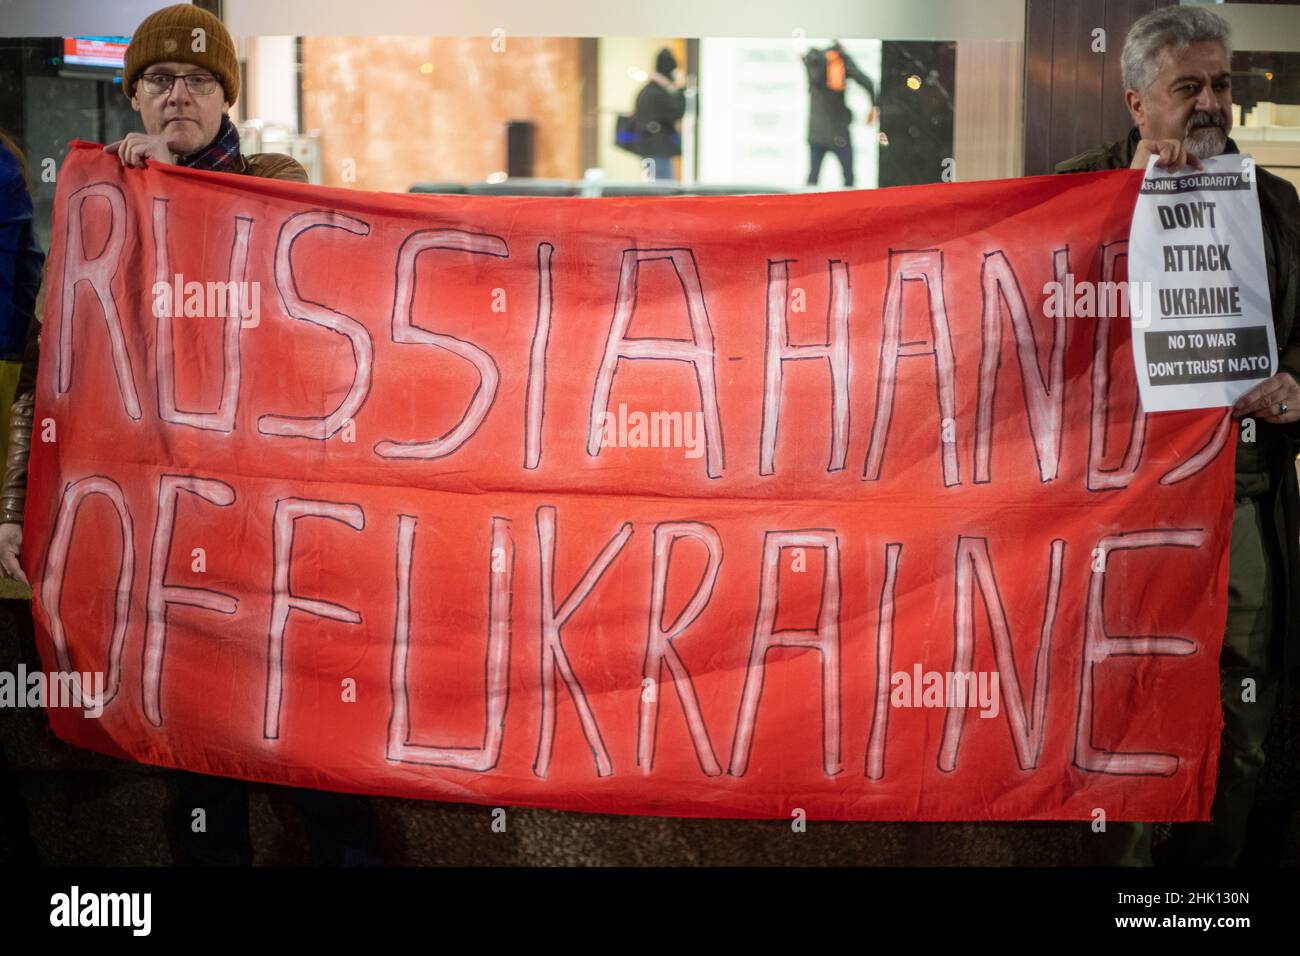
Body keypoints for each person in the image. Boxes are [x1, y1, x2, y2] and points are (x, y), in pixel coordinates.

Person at [0, 3, 383, 866]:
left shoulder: (274, 180)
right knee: (203, 775)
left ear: (225, 97)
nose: (180, 95)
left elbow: (318, 264)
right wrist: (17, 503)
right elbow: (49, 366)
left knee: (315, 758)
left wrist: (175, 191)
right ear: (135, 99)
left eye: (199, 80)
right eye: (161, 81)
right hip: (180, 541)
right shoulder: (105, 209)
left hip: (285, 534)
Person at [1056, 5, 1300, 866]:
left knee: (1241, 717)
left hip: (1242, 501)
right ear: (1136, 103)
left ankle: (1208, 897)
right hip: (1128, 513)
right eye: (1188, 86)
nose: (1211, 104)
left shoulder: (1272, 205)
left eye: (1222, 85)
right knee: (1128, 713)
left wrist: (1293, 384)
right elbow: (1048, 345)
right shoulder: (1081, 192)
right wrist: (1129, 194)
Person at [803, 41, 877, 188]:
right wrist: (873, 106)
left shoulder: (813, 60)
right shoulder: (840, 60)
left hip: (816, 129)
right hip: (838, 130)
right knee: (849, 179)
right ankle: (849, 210)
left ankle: (807, 210)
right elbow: (867, 82)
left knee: (812, 179)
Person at [633, 48, 687, 181]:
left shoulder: (647, 91)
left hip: (649, 148)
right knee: (663, 188)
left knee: (655, 185)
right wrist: (680, 89)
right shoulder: (660, 93)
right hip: (658, 149)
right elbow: (677, 112)